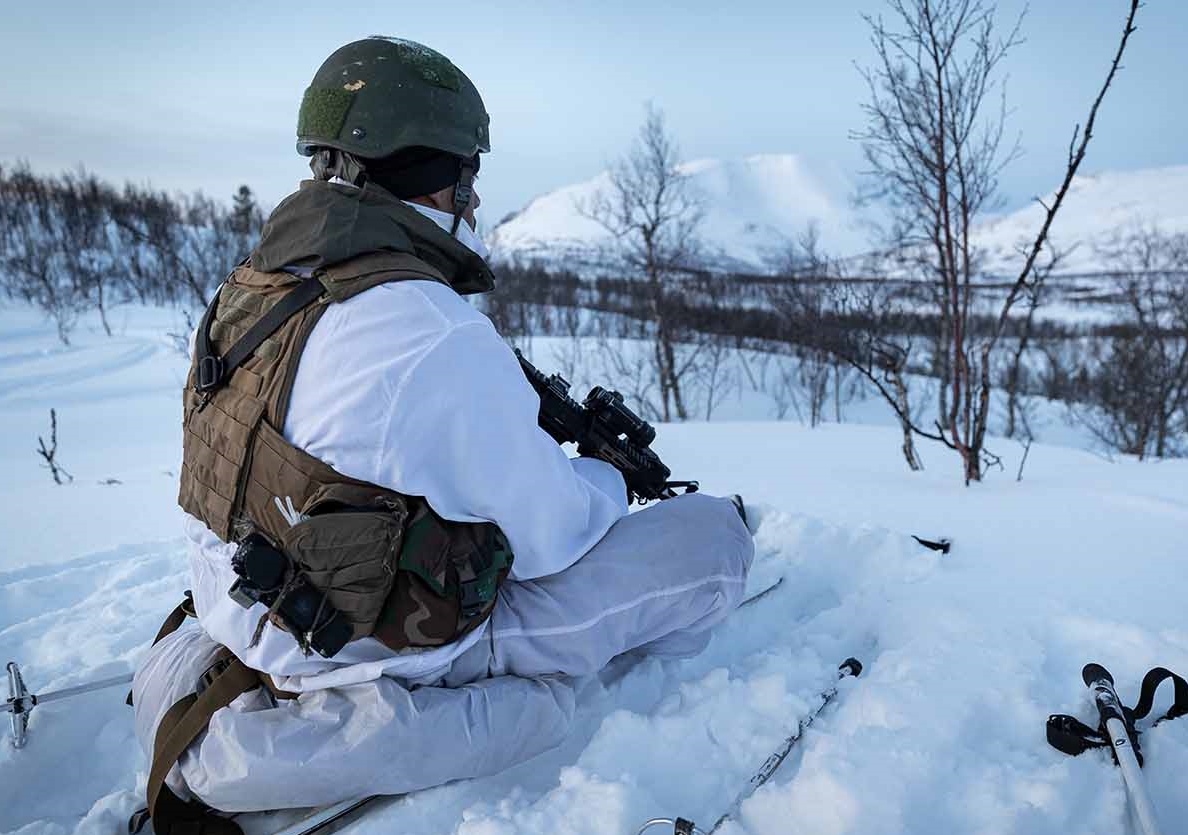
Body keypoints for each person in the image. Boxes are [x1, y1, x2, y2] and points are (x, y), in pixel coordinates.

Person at [130, 36, 753, 832]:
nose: (475, 201)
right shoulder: (427, 325)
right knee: (714, 540)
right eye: (472, 178)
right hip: (366, 648)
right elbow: (553, 536)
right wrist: (609, 477)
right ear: (448, 177)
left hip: (247, 605)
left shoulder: (250, 292)